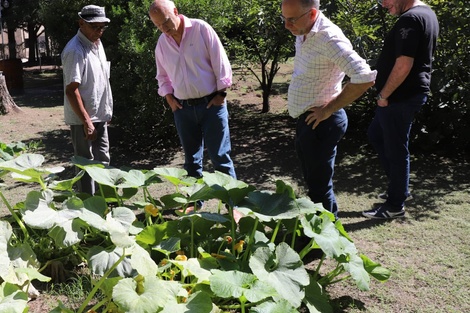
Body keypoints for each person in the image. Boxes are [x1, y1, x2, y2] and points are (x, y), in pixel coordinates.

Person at [281, 0, 376, 218]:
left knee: (319, 187)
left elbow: (364, 77)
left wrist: (327, 109)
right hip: (308, 120)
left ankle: (323, 238)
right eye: (284, 18)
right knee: (313, 181)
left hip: (322, 122)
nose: (287, 25)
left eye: (292, 19)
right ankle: (317, 232)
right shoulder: (303, 30)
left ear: (312, 13)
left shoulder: (329, 38)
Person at [148, 0, 236, 207]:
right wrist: (169, 98)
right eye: (158, 25)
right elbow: (162, 76)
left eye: (166, 22)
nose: (164, 28)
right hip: (183, 109)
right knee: (191, 162)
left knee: (221, 159)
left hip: (211, 106)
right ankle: (196, 207)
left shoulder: (201, 29)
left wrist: (221, 94)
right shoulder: (162, 42)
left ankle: (234, 208)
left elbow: (220, 62)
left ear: (176, 12)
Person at [363, 0, 438, 219]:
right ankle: (399, 187)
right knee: (376, 134)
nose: (383, 5)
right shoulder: (426, 14)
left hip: (400, 96)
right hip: (404, 95)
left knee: (396, 148)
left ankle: (395, 205)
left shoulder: (411, 19)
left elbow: (404, 64)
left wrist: (384, 94)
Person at [61, 5, 113, 195]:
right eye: (94, 27)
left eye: (102, 27)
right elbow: (71, 90)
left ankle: (106, 203)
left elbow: (101, 80)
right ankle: (86, 206)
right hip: (83, 120)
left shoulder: (97, 44)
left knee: (103, 161)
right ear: (81, 23)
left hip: (99, 116)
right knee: (85, 164)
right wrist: (87, 121)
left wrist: (106, 110)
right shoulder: (75, 50)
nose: (99, 32)